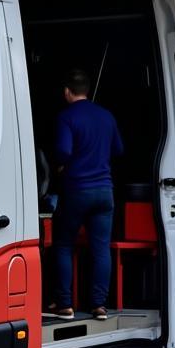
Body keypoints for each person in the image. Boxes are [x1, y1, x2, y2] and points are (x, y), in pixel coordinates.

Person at [48, 68, 124, 321]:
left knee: (63, 245)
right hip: (105, 191)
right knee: (101, 249)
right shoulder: (107, 116)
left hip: (76, 190)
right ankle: (99, 305)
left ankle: (65, 304)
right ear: (87, 90)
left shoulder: (66, 117)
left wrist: (59, 165)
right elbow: (118, 149)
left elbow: (63, 150)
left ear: (67, 91)